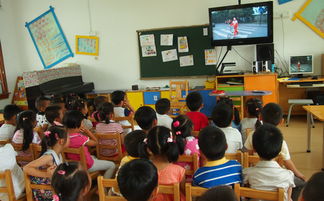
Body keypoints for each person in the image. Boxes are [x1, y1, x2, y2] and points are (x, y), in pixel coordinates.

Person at [244, 103, 305, 200]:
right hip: (278, 174)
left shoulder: (253, 135)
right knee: (301, 184)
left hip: (255, 172)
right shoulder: (280, 142)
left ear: (260, 117)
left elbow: (247, 154)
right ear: (281, 121)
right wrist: (299, 174)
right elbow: (287, 161)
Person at [243, 124, 295, 201]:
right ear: (279, 150)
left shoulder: (247, 173)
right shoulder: (288, 175)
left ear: (254, 149)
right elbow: (288, 198)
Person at [63, 110, 116, 179]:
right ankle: (104, 186)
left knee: (93, 157)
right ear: (77, 125)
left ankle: (98, 176)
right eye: (82, 122)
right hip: (86, 166)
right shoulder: (81, 138)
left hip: (72, 166)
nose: (83, 124)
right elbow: (96, 142)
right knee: (112, 165)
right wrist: (88, 132)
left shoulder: (63, 137)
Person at [139, 126, 185, 201]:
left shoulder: (142, 170)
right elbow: (184, 193)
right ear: (171, 146)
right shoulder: (179, 171)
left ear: (148, 150)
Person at [23, 126, 70, 201]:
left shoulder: (58, 153)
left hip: (53, 187)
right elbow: (26, 168)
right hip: (46, 192)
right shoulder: (49, 157)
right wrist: (46, 174)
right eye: (69, 137)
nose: (70, 139)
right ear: (61, 141)